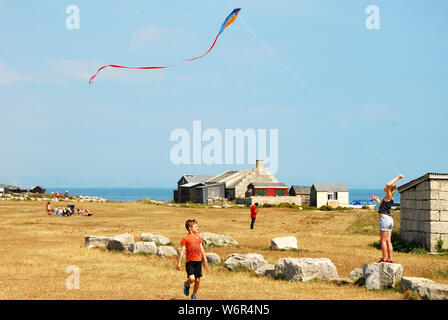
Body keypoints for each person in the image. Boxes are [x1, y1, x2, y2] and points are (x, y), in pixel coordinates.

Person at [372, 174, 404, 263]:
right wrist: (378, 200)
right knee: (388, 240)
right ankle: (389, 258)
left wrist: (398, 177)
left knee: (383, 240)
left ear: (390, 189)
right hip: (389, 219)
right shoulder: (388, 197)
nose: (385, 187)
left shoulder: (389, 195)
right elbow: (383, 207)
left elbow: (388, 184)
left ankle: (384, 258)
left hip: (385, 220)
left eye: (387, 188)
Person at [177, 219, 209, 300]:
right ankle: (186, 284)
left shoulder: (199, 237)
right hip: (190, 262)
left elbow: (202, 250)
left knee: (197, 280)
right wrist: (179, 262)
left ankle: (194, 295)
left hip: (198, 261)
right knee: (192, 278)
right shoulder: (185, 239)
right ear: (190, 228)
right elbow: (183, 250)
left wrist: (205, 261)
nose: (198, 228)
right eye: (196, 227)